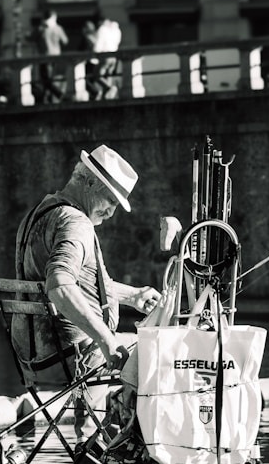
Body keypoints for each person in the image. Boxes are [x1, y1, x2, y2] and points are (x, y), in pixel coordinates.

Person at [14, 145, 160, 434]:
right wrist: (106, 339)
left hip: (33, 356)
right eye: (111, 200)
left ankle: (94, 438)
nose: (112, 212)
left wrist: (133, 296)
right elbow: (59, 285)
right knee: (158, 353)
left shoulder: (40, 212)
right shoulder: (76, 223)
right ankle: (120, 443)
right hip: (73, 356)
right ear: (90, 183)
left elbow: (74, 284)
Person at [35, 10, 68, 103]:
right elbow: (65, 41)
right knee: (49, 79)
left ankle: (59, 95)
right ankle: (45, 99)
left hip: (45, 57)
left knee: (46, 80)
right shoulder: (58, 28)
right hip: (56, 57)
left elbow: (30, 37)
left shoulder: (42, 28)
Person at [93, 15, 122, 99]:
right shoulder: (116, 30)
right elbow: (117, 42)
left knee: (97, 75)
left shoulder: (102, 29)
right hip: (114, 56)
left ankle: (109, 88)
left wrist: (95, 55)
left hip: (105, 55)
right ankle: (107, 96)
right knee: (108, 75)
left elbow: (98, 44)